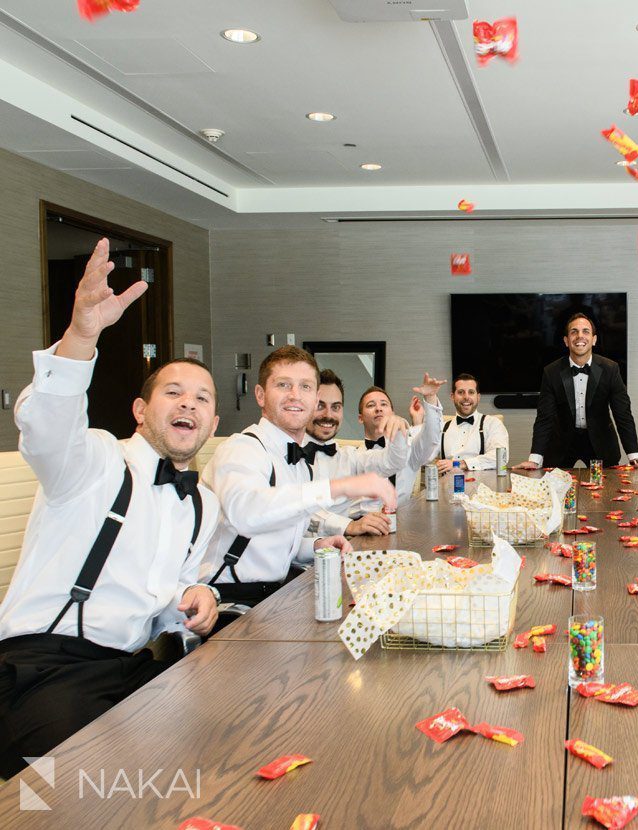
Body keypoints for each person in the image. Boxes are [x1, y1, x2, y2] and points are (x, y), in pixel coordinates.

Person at [0, 239, 221, 778]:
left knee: (225, 751)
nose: (188, 402)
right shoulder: (93, 461)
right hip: (45, 670)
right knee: (90, 795)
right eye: (173, 392)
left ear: (213, 425)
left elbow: (165, 594)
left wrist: (196, 597)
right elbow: (47, 426)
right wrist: (80, 336)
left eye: (202, 398)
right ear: (141, 409)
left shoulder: (203, 504)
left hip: (134, 667)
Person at [199, 346, 406, 606]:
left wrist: (317, 545)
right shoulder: (241, 449)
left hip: (277, 593)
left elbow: (277, 539)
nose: (295, 396)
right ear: (261, 395)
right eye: (284, 385)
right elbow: (247, 515)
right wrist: (339, 487)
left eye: (305, 387)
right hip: (228, 601)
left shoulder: (297, 463)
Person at [306, 370, 437, 537]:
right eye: (371, 405)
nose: (378, 409)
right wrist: (351, 526)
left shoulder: (356, 457)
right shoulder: (354, 455)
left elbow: (402, 457)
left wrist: (400, 428)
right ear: (360, 418)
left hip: (396, 526)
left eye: (383, 404)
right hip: (351, 533)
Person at [514, 313, 638, 470]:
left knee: (606, 491)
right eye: (574, 332)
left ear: (594, 339)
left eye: (586, 331)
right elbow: (544, 418)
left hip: (600, 441)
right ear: (566, 341)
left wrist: (634, 458)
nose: (580, 336)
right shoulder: (551, 372)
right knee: (557, 491)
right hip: (561, 443)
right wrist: (534, 459)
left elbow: (623, 414)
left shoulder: (610, 369)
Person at [436, 373, 509, 473]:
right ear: (452, 396)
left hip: (483, 486)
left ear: (478, 397)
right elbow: (423, 456)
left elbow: (500, 458)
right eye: (461, 392)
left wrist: (461, 464)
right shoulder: (441, 427)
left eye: (471, 392)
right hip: (447, 486)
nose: (466, 397)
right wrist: (417, 421)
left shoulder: (493, 424)